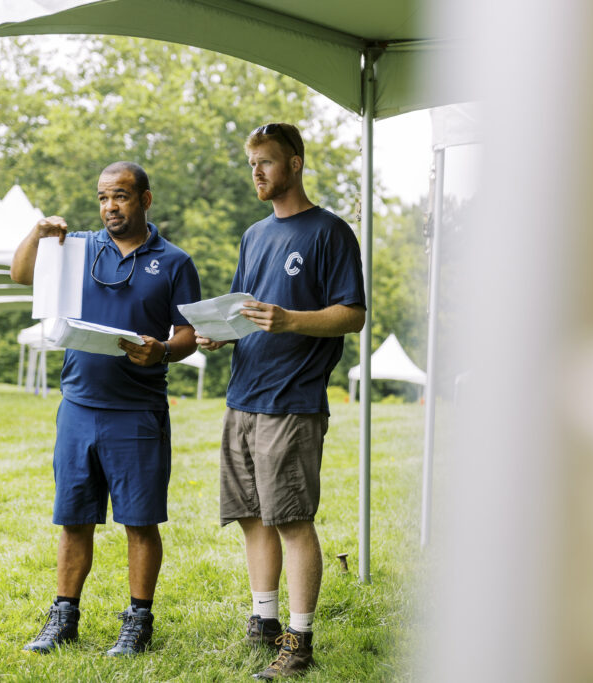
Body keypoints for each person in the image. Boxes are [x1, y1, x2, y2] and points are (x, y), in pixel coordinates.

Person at [10, 161, 201, 656]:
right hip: (78, 405)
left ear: (145, 199)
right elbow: (21, 274)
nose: (109, 207)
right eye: (102, 198)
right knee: (74, 518)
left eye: (120, 196)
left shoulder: (175, 262)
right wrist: (38, 234)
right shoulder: (77, 250)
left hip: (137, 411)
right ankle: (63, 617)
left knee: (139, 522)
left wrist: (160, 349)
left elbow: (187, 337)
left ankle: (138, 622)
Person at [197, 123, 365, 679]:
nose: (257, 173)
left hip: (292, 401)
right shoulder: (254, 235)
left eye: (266, 162)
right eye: (251, 163)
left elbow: (353, 315)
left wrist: (292, 319)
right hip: (242, 394)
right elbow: (246, 310)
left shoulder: (330, 233)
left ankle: (300, 639)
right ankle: (264, 620)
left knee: (292, 519)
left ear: (294, 164)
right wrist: (220, 333)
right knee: (251, 516)